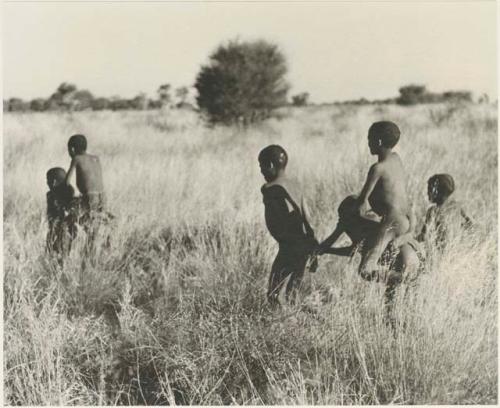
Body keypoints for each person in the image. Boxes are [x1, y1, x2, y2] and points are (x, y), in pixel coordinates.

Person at [319, 194, 421, 325]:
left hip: (404, 257)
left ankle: (405, 279)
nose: (340, 220)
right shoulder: (366, 224)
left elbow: (355, 250)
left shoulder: (366, 226)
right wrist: (327, 250)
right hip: (411, 256)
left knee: (366, 272)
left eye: (342, 216)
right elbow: (355, 250)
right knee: (393, 308)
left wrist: (325, 248)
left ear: (352, 216)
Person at [259, 145, 318, 306]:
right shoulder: (295, 183)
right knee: (293, 294)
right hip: (304, 243)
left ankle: (283, 327)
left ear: (270, 165)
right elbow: (307, 214)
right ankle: (297, 325)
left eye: (261, 167)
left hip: (289, 246)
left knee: (273, 294)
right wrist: (312, 242)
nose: (261, 172)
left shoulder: (270, 189)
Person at [355, 121, 415, 282]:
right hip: (406, 218)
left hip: (392, 222)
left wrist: (357, 214)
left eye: (370, 139)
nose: (368, 143)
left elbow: (361, 201)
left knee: (365, 270)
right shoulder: (396, 159)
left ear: (379, 142)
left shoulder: (377, 168)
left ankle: (403, 279)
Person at [417, 173, 473, 249]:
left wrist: (410, 240)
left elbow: (424, 236)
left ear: (437, 191)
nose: (427, 193)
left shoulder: (433, 211)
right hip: (457, 249)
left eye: (429, 189)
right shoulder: (457, 206)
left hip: (441, 253)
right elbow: (471, 224)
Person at [46, 167, 77, 260]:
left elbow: (58, 214)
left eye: (48, 180)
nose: (47, 183)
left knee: (58, 254)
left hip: (61, 229)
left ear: (54, 182)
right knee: (62, 254)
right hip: (67, 229)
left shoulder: (52, 195)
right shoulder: (69, 191)